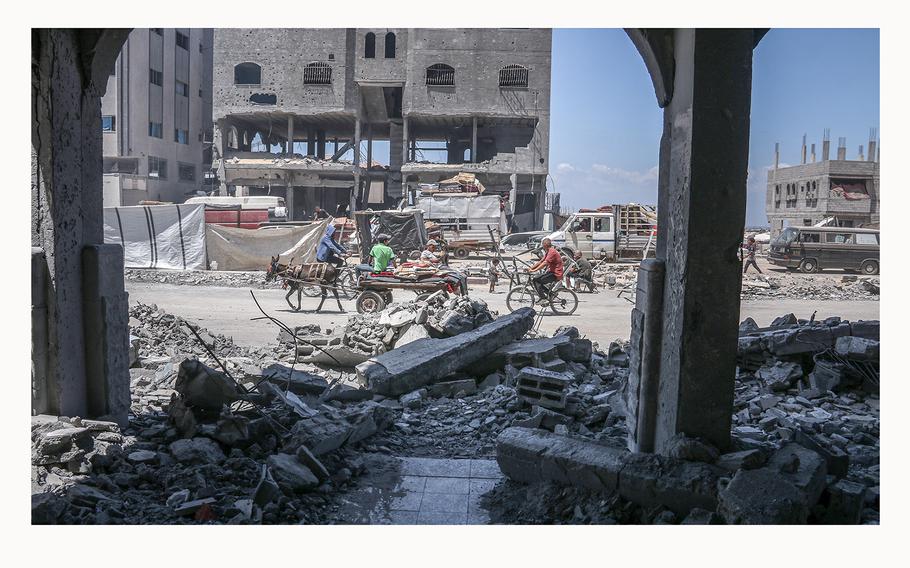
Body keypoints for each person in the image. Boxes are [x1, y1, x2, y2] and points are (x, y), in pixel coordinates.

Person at [526, 237, 564, 303]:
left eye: (542, 244)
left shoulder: (552, 252)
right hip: (551, 272)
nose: (542, 246)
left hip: (555, 274)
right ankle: (551, 294)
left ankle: (543, 298)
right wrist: (531, 268)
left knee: (536, 280)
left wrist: (534, 270)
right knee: (537, 280)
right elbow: (540, 261)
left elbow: (545, 263)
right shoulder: (548, 251)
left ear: (545, 245)